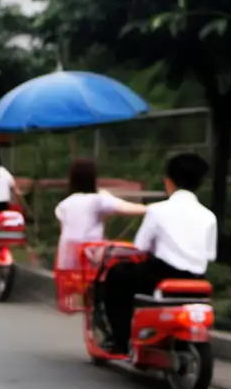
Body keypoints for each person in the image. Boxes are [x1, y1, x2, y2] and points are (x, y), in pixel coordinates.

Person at [101, 152, 217, 354]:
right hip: (197, 277)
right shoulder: (209, 216)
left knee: (117, 275)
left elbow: (141, 246)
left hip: (161, 274)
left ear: (169, 182)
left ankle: (120, 340)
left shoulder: (157, 210)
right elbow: (210, 255)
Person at [54, 159, 148, 271]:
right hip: (91, 262)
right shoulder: (98, 200)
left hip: (66, 265)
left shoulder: (63, 205)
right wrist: (158, 208)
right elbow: (131, 209)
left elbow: (65, 231)